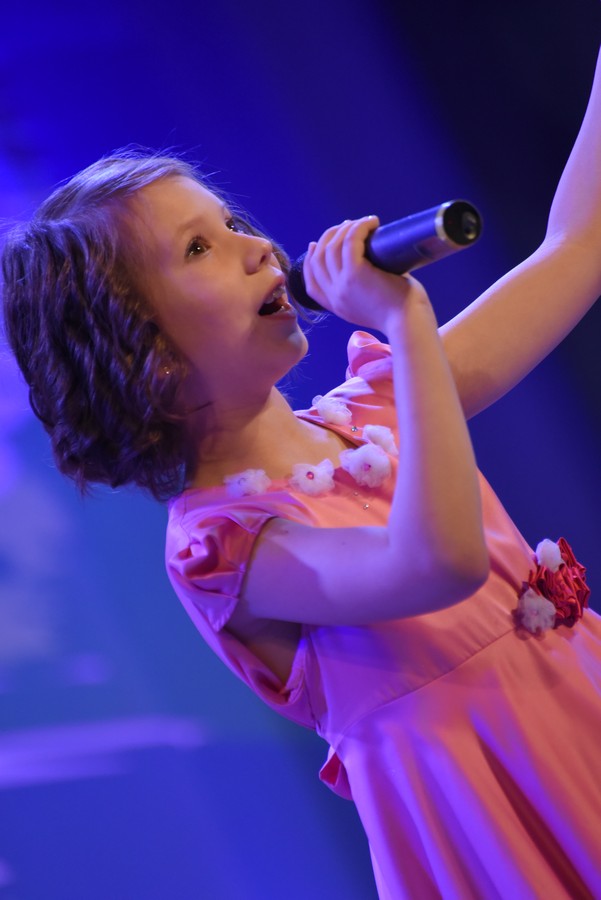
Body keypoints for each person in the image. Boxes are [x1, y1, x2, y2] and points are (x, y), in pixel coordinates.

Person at [2, 41, 601, 900]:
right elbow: (436, 563)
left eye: (233, 223)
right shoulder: (226, 548)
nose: (256, 248)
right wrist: (403, 322)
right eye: (198, 249)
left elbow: (576, 246)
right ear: (141, 353)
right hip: (492, 817)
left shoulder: (378, 408)